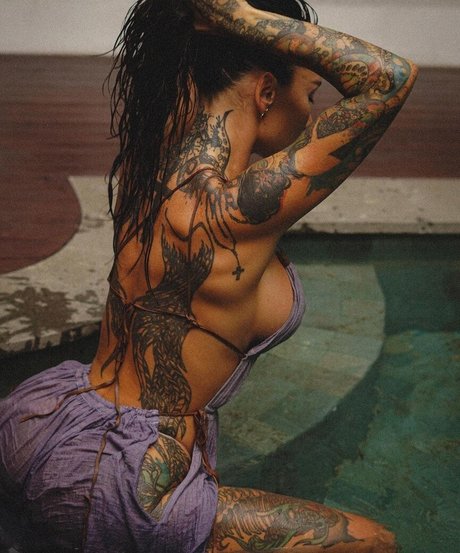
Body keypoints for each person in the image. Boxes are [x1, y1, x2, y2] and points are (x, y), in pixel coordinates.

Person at [0, 0, 418, 551]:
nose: (312, 113)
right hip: (121, 481)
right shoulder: (235, 212)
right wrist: (237, 14)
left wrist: (217, 27)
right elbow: (389, 79)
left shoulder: (150, 158)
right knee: (374, 543)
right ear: (265, 92)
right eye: (312, 94)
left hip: (43, 421)